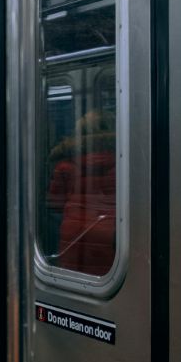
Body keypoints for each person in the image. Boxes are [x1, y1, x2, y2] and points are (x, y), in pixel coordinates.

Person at [45, 110, 117, 275]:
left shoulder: (65, 165)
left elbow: (54, 204)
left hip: (73, 236)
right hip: (110, 236)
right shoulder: (122, 164)